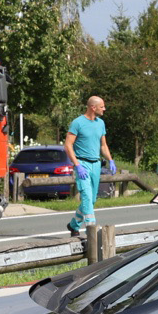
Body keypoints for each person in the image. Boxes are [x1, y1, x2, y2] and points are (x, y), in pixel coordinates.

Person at [63, 95, 114, 235]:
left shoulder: (100, 123)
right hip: (82, 164)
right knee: (86, 196)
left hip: (96, 164)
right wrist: (77, 165)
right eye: (102, 106)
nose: (104, 109)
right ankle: (92, 230)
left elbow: (103, 145)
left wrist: (110, 160)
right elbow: (68, 145)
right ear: (93, 107)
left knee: (92, 200)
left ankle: (73, 225)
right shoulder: (77, 123)